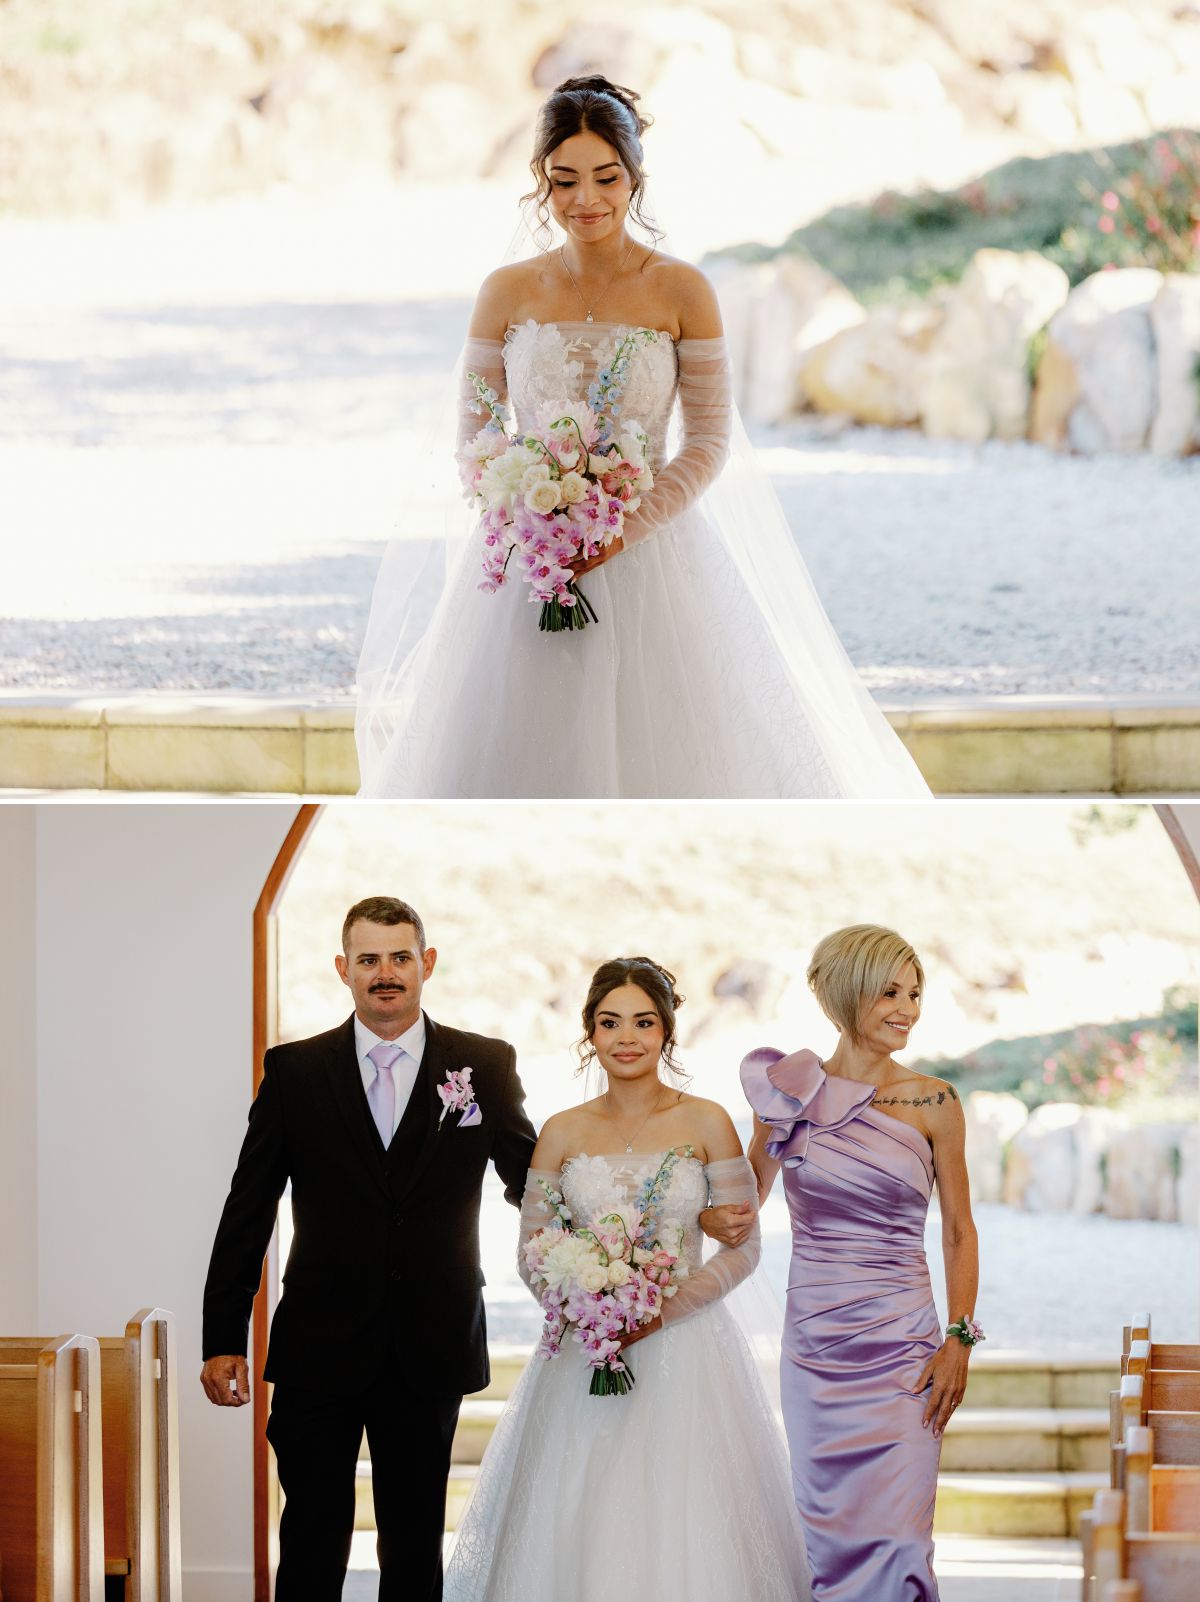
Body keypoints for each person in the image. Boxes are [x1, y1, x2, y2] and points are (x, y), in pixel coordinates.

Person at [355, 74, 930, 800]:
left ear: (634, 178)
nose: (585, 200)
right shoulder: (506, 291)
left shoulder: (682, 291)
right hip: (529, 558)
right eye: (564, 181)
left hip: (653, 550)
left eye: (605, 178)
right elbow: (475, 433)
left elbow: (709, 441)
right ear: (542, 180)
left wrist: (624, 529)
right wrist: (531, 516)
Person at [199, 896, 538, 1602]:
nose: (386, 973)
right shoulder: (293, 1071)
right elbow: (249, 1206)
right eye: (369, 959)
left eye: (400, 957)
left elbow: (531, 1183)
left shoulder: (481, 1064)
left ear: (427, 963)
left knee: (414, 1542)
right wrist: (222, 1334)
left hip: (432, 1342)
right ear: (343, 969)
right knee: (312, 1536)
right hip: (318, 1348)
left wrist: (603, 1244)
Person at [444, 957, 812, 1602]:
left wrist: (660, 1313)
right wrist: (583, 1303)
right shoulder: (561, 1130)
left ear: (667, 1031)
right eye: (610, 1023)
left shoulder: (706, 1121)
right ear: (589, 1032)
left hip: (687, 1350)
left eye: (644, 1022)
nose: (627, 1038)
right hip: (583, 1351)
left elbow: (742, 1245)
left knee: (687, 1518)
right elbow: (533, 1247)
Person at [741, 925, 981, 1602]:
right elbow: (739, 1204)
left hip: (904, 1348)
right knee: (827, 1542)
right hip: (816, 1353)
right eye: (888, 993)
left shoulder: (935, 1102)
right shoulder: (787, 1089)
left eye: (914, 992)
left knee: (904, 1542)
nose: (906, 1007)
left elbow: (960, 1231)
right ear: (848, 995)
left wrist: (959, 1339)